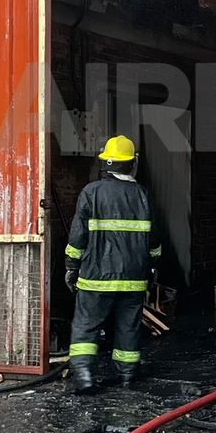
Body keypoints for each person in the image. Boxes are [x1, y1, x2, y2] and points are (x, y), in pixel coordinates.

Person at [63, 135, 161, 392]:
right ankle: (127, 375)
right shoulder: (142, 195)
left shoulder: (91, 192)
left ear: (106, 163)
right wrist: (152, 266)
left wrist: (71, 267)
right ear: (132, 164)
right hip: (133, 278)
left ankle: (84, 375)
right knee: (128, 327)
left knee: (87, 325)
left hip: (95, 278)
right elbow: (154, 239)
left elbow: (77, 238)